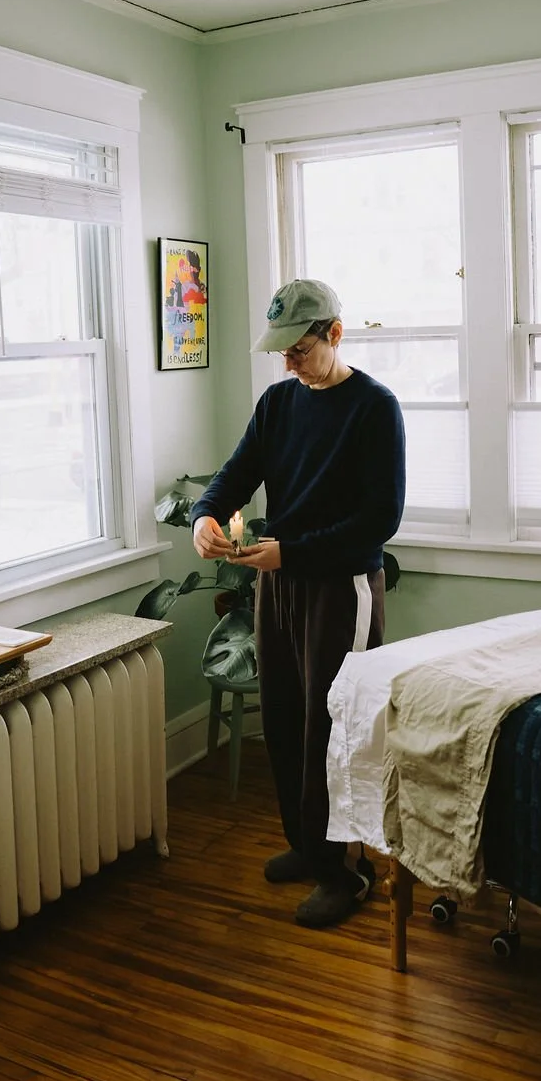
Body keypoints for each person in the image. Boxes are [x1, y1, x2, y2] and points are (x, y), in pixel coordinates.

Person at [190, 278, 406, 928]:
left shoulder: (374, 407)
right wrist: (206, 514)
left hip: (341, 586)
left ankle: (349, 869)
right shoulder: (279, 403)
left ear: (335, 334)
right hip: (279, 584)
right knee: (284, 718)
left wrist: (294, 552)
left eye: (299, 349)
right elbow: (236, 474)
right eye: (280, 350)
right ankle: (309, 845)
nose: (288, 360)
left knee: (335, 728)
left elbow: (379, 520)